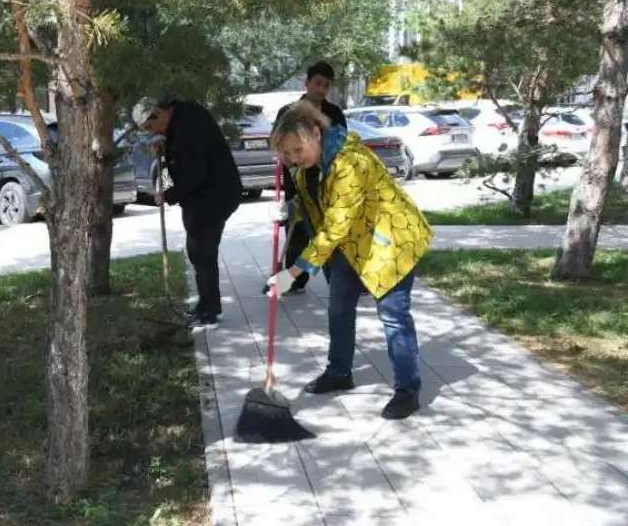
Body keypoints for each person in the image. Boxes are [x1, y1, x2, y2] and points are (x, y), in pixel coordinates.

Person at [266, 101, 433, 419]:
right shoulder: (307, 170)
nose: (293, 159)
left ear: (316, 133)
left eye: (297, 150)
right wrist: (290, 210)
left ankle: (407, 390)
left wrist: (295, 270)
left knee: (394, 316)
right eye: (287, 154)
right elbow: (316, 206)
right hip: (350, 245)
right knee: (339, 308)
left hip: (389, 243)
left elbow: (335, 224)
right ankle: (340, 372)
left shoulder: (350, 163)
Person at [133, 97, 243, 326]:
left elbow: (192, 176)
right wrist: (161, 154)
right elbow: (169, 170)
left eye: (150, 127)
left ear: (158, 113)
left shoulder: (188, 129)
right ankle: (206, 305)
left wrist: (167, 195)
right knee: (199, 250)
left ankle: (209, 310)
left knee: (201, 250)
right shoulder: (178, 119)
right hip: (203, 194)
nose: (151, 132)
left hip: (213, 194)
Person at [274, 60, 348, 293]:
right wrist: (293, 166)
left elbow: (342, 146)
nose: (321, 89)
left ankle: (342, 278)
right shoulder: (288, 112)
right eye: (317, 83)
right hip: (297, 183)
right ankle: (294, 280)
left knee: (330, 231)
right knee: (297, 231)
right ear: (307, 83)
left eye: (326, 85)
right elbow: (278, 145)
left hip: (327, 183)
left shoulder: (334, 113)